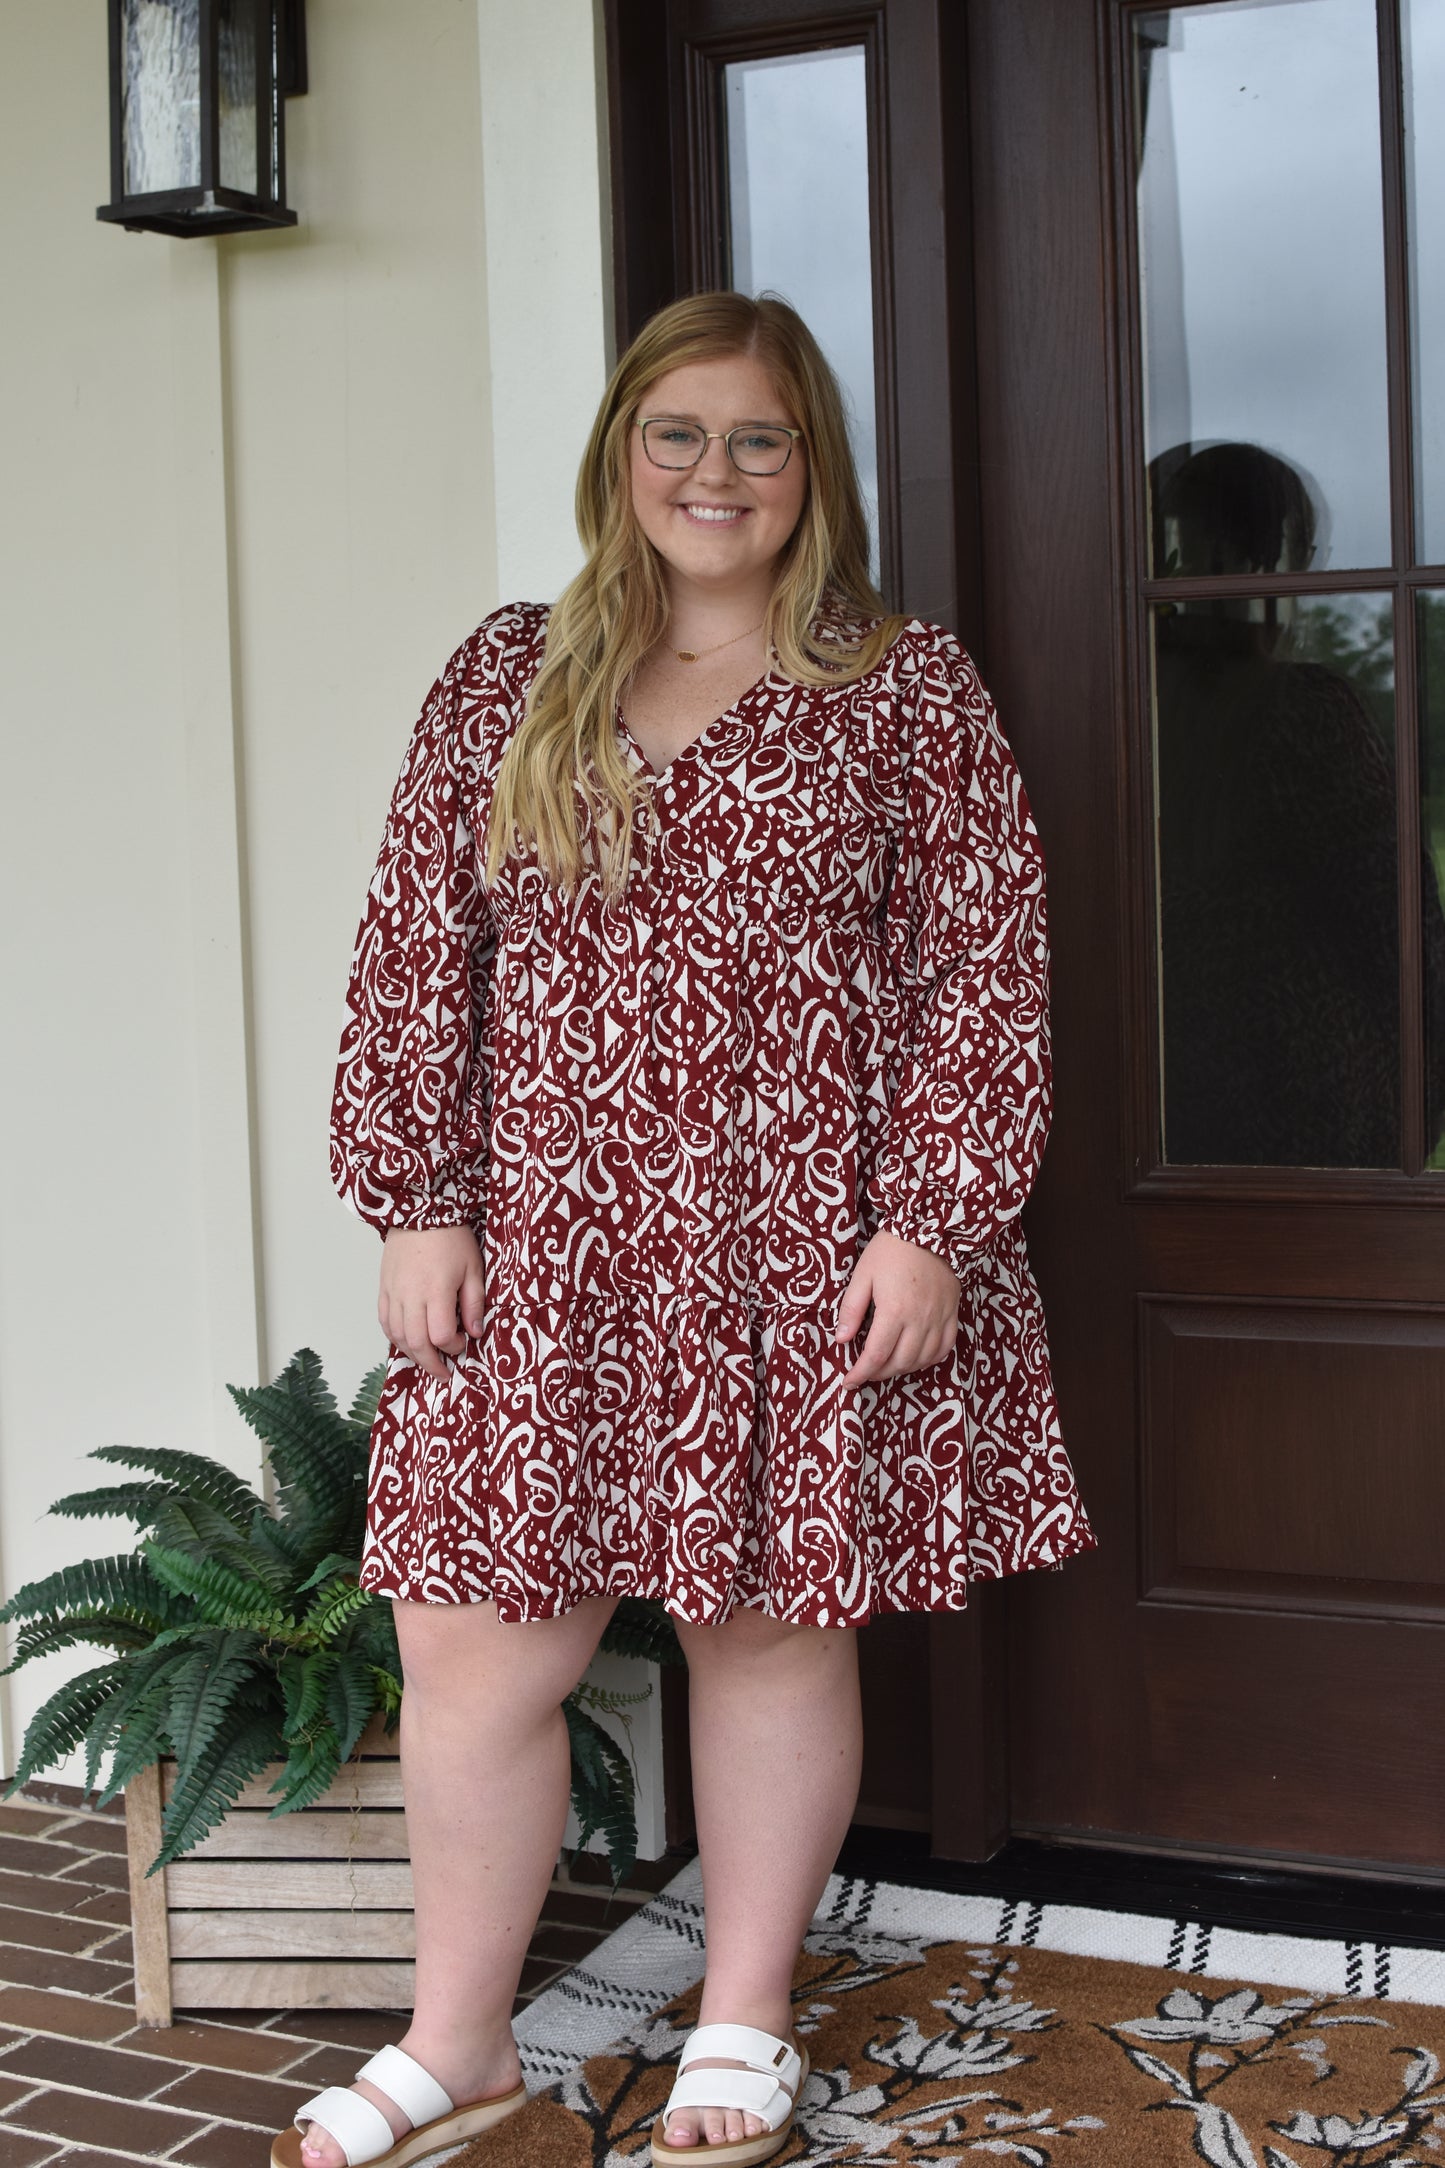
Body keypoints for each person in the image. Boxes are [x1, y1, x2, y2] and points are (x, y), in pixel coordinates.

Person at [276, 291, 1095, 2168]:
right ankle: (457, 2039)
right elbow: (418, 947)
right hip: (538, 1244)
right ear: (618, 453)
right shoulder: (507, 672)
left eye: (756, 438)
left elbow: (983, 968)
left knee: (758, 1627)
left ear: (811, 468)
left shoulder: (901, 688)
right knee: (478, 1646)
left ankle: (740, 2018)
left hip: (797, 1239)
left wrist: (933, 1224)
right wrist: (417, 1195)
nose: (711, 473)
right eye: (677, 434)